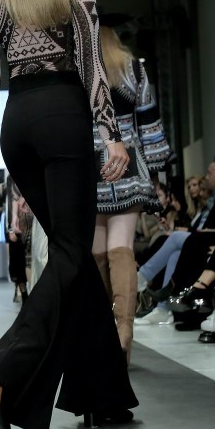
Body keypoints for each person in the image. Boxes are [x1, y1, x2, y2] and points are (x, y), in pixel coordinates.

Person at [0, 0, 137, 429]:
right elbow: (89, 57)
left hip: (18, 124)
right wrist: (112, 133)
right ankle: (4, 375)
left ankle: (103, 395)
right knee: (70, 253)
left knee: (74, 261)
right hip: (64, 114)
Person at [91, 26, 170, 364]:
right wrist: (157, 172)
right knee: (121, 248)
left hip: (92, 165)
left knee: (97, 254)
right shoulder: (134, 69)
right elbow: (149, 121)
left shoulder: (83, 71)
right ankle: (124, 331)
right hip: (128, 163)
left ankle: (101, 335)